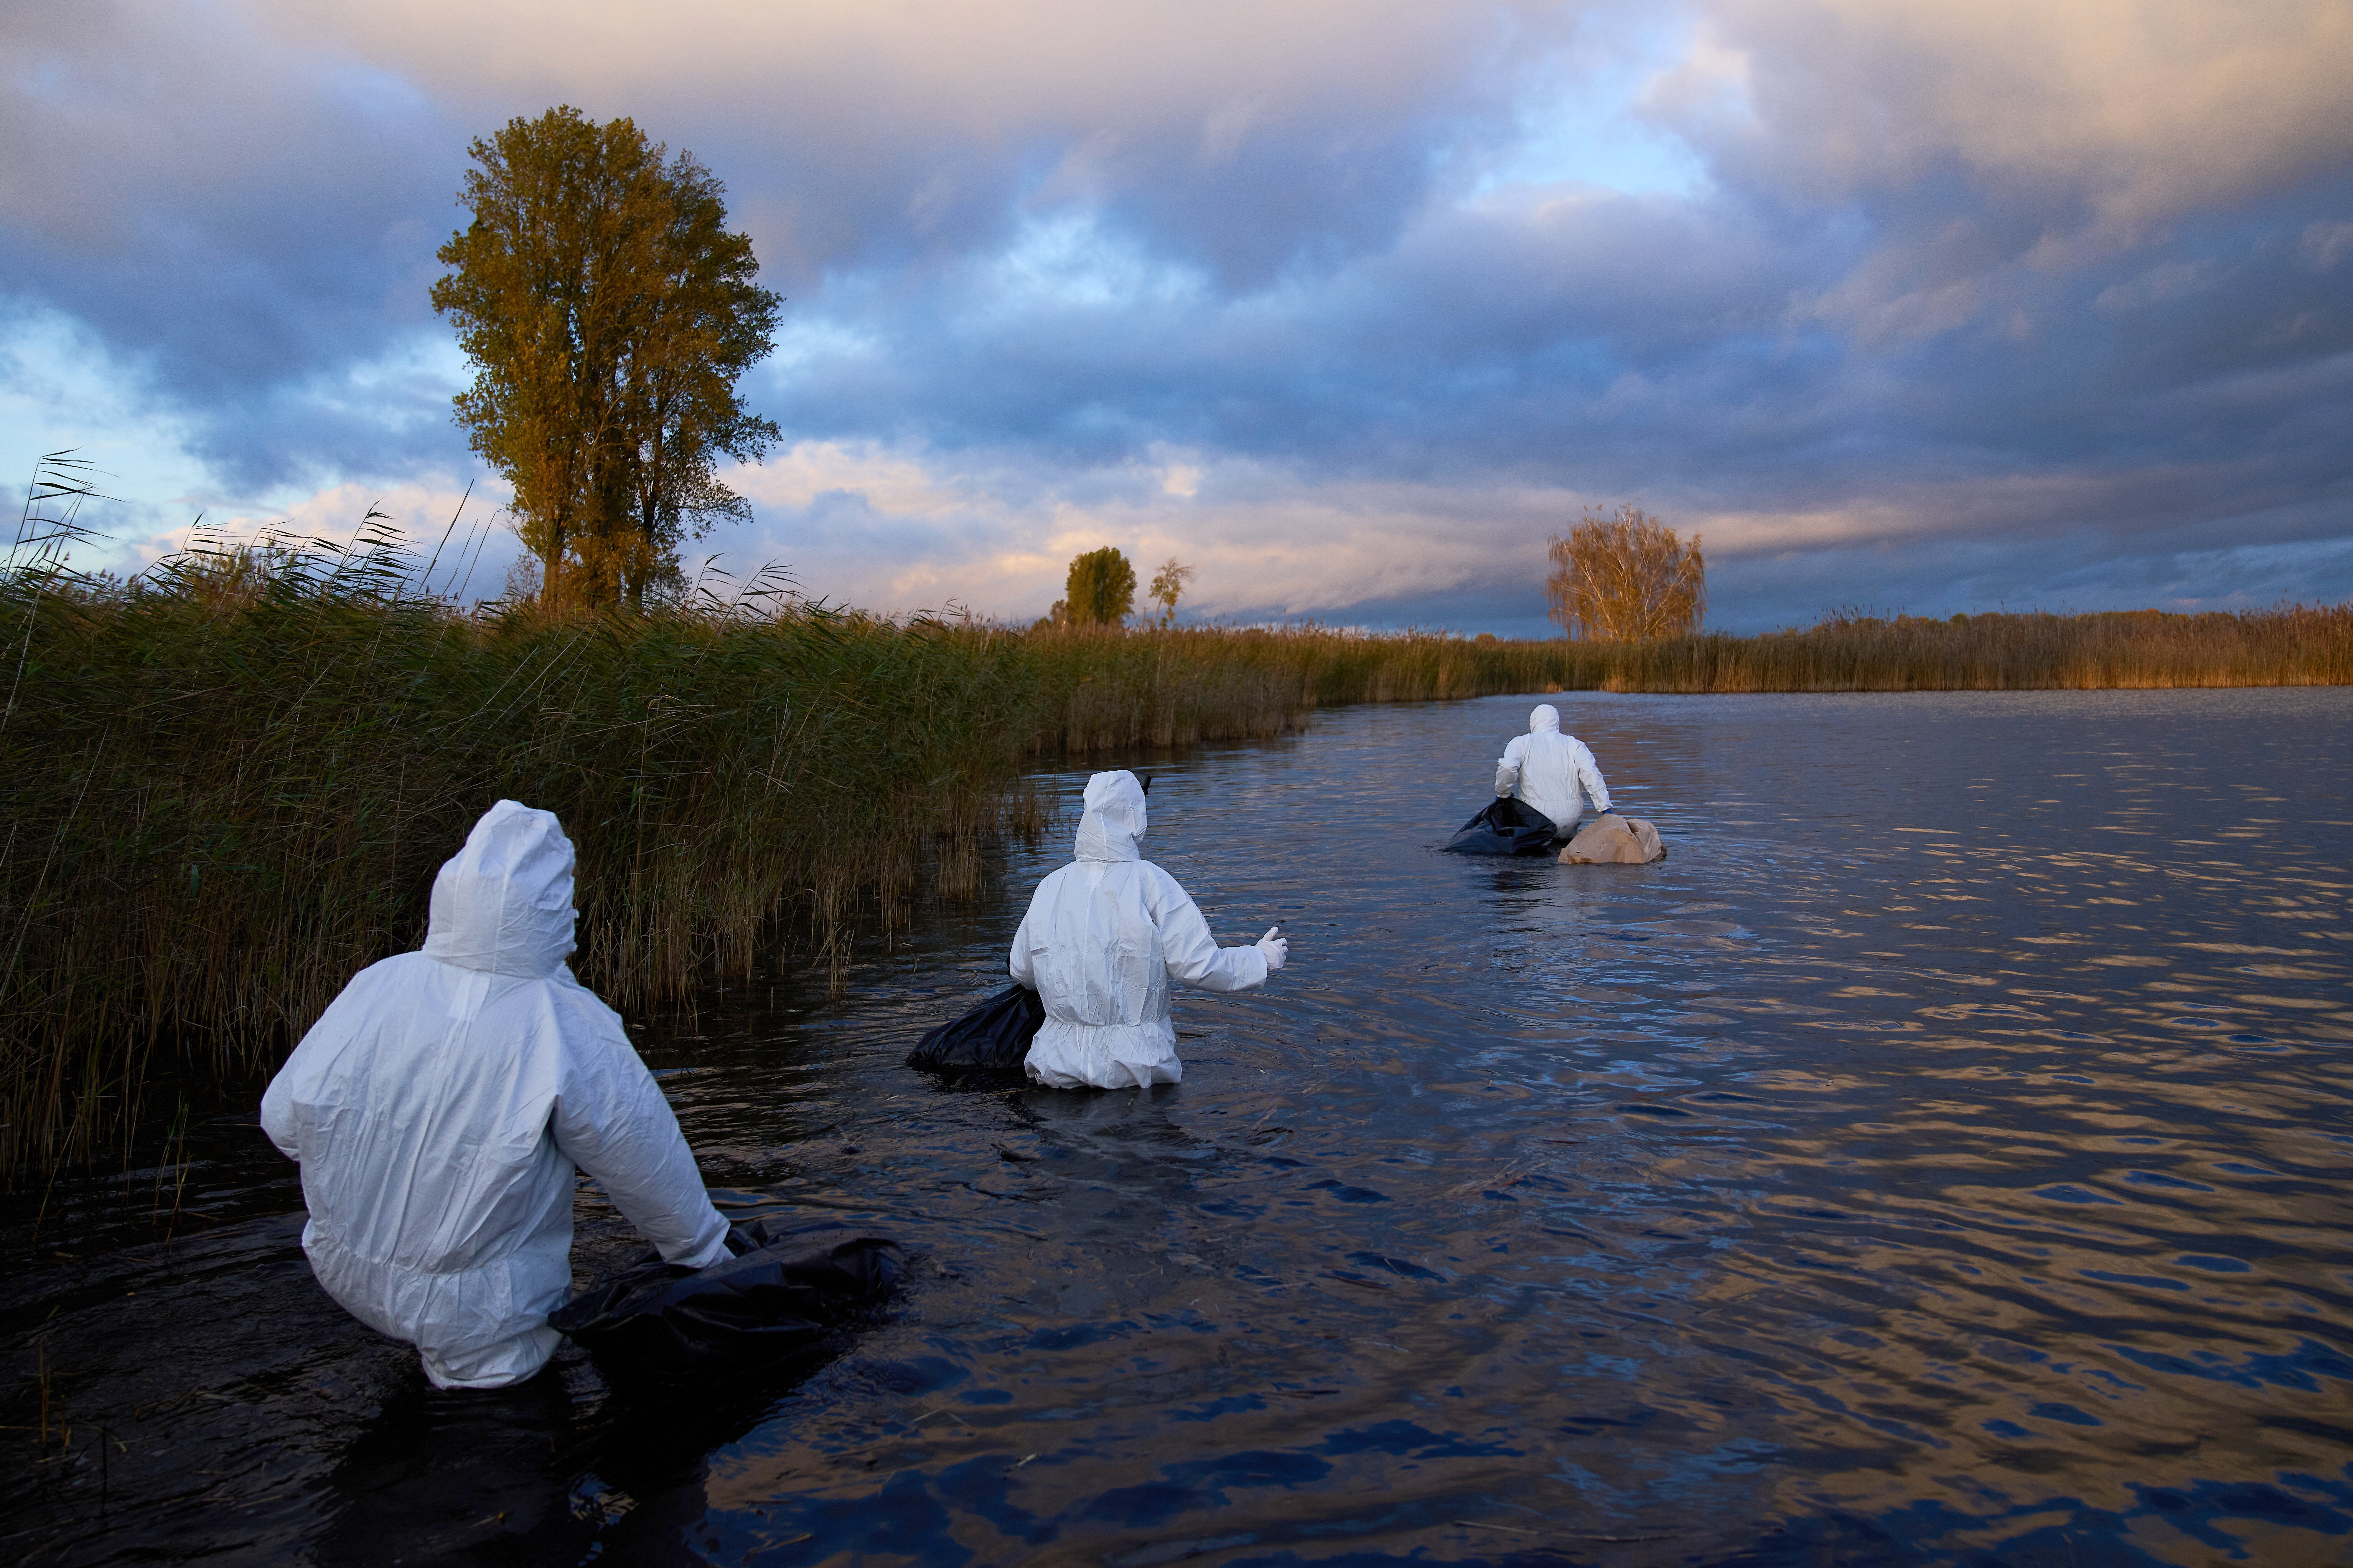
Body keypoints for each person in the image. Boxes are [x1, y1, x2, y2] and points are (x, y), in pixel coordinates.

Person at [260, 800, 729, 1390]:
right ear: (556, 906)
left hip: (343, 1265)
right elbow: (642, 1158)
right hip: (482, 1312)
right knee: (493, 1439)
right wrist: (705, 1255)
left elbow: (282, 1121)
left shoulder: (378, 984)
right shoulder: (563, 1020)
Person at [1011, 770, 1287, 1089]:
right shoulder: (1153, 884)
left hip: (1055, 1067)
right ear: (1136, 817)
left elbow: (1022, 969)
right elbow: (1197, 965)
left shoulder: (1050, 887)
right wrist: (1258, 960)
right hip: (1137, 1068)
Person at [1495, 703, 1614, 842]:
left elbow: (1508, 767)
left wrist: (1503, 795)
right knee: (1562, 852)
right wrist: (1605, 808)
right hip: (1570, 819)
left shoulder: (1522, 743)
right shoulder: (1574, 745)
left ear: (1533, 722)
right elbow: (1592, 775)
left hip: (1536, 818)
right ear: (1556, 722)